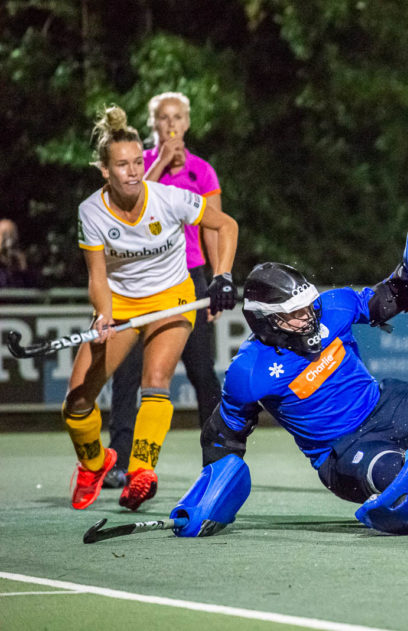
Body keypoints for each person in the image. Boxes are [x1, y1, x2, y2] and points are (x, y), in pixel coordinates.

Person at [177, 255, 408, 536]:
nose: (309, 317)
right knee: (400, 476)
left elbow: (384, 299)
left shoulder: (333, 307)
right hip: (342, 453)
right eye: (295, 313)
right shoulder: (248, 372)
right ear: (267, 320)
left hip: (387, 404)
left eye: (308, 305)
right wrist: (207, 500)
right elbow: (225, 437)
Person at [64, 105, 239, 512]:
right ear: (104, 171)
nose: (132, 172)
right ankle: (95, 464)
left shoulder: (169, 199)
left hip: (173, 295)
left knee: (156, 379)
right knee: (77, 403)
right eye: (121, 165)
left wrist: (223, 275)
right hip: (121, 303)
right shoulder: (91, 212)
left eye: (137, 163)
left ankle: (141, 471)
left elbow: (226, 225)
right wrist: (104, 315)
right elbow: (97, 277)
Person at [105, 92, 224, 488]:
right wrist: (158, 164)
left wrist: (218, 278)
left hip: (189, 278)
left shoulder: (202, 171)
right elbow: (130, 204)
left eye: (177, 118)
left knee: (202, 371)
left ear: (187, 123)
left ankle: (218, 456)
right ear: (153, 124)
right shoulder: (137, 165)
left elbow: (214, 227)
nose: (171, 124)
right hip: (139, 278)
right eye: (163, 118)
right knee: (128, 371)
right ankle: (120, 461)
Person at [0, 218, 37, 289]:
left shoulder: (22, 263)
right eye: (4, 234)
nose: (8, 239)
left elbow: (33, 288)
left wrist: (24, 268)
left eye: (12, 234)